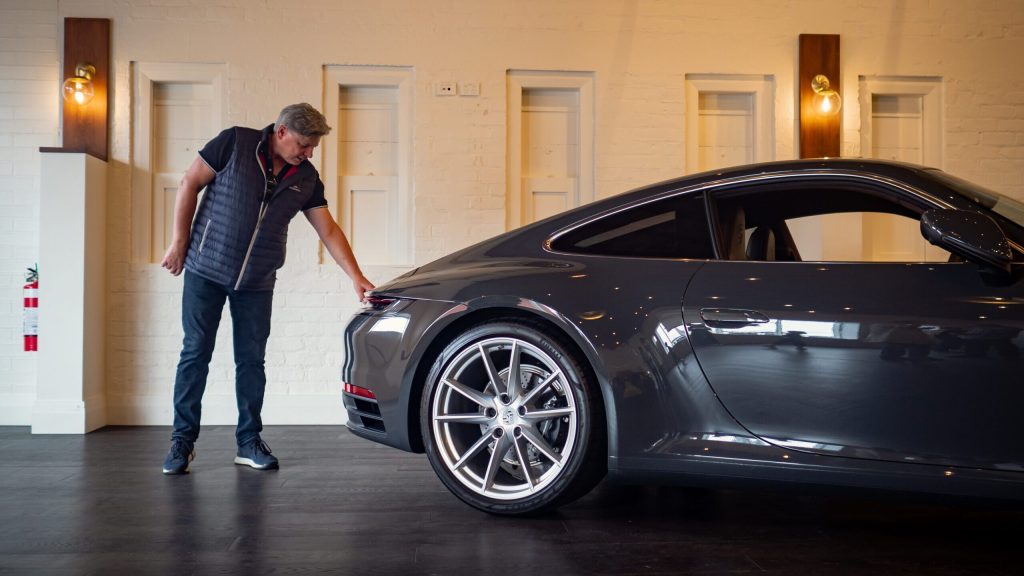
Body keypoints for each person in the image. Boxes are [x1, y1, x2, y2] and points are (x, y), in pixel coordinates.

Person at [159, 103, 374, 475]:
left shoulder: (306, 178)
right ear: (281, 131)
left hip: (256, 282)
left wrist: (356, 276)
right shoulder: (234, 144)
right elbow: (189, 183)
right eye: (304, 145)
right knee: (195, 353)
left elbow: (328, 230)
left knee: (251, 361)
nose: (308, 153)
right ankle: (182, 442)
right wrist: (179, 242)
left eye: (312, 148)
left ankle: (248, 441)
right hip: (204, 269)